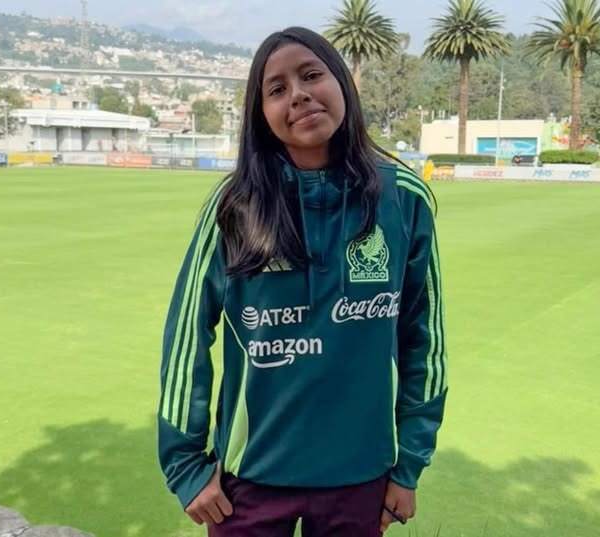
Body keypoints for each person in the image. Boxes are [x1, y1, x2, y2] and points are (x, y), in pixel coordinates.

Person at [157, 26, 447, 537]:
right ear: (261, 114)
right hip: (249, 479)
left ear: (342, 82)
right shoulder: (235, 205)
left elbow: (424, 339)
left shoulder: (403, 198)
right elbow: (187, 335)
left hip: (361, 476)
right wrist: (186, 465)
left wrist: (409, 465)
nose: (298, 94)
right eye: (277, 89)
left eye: (312, 75)